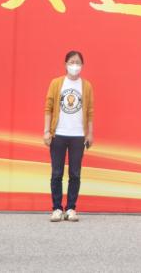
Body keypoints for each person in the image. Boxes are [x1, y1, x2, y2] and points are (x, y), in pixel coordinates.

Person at [44, 50, 94, 222]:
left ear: (82, 65)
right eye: (71, 62)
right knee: (56, 173)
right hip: (58, 134)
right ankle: (57, 208)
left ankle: (71, 208)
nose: (75, 65)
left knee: (75, 173)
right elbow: (48, 108)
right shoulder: (57, 83)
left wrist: (90, 133)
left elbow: (90, 111)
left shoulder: (86, 86)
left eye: (78, 62)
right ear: (65, 64)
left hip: (78, 136)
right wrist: (46, 130)